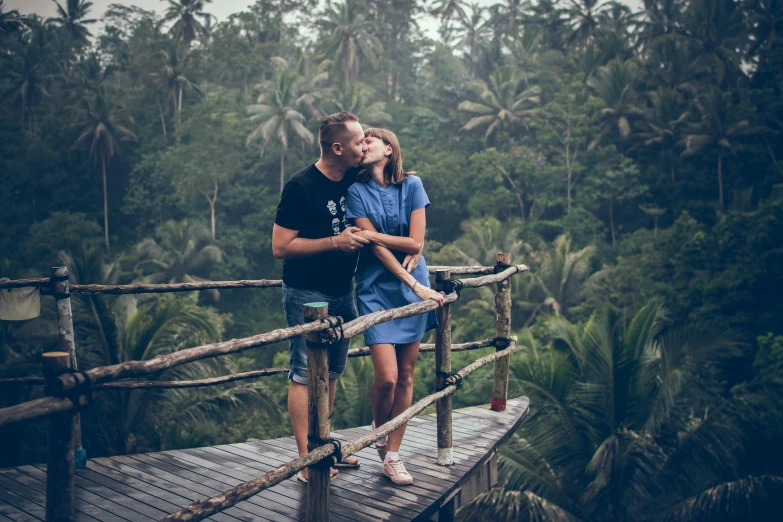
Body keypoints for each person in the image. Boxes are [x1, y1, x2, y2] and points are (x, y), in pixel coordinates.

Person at [272, 112, 369, 483]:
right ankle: (306, 460)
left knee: (332, 372)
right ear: (337, 147)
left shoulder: (355, 177)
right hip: (306, 295)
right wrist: (335, 242)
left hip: (344, 291)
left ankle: (323, 447)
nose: (364, 145)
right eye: (359, 141)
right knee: (303, 373)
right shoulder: (301, 186)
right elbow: (281, 247)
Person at [345, 128, 444, 485]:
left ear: (389, 148)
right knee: (385, 378)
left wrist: (374, 234)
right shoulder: (355, 192)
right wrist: (411, 276)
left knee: (406, 375)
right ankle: (379, 426)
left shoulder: (413, 185)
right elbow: (381, 250)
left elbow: (415, 241)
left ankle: (393, 455)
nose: (364, 144)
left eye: (370, 140)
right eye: (361, 141)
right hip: (377, 287)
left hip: (415, 286)